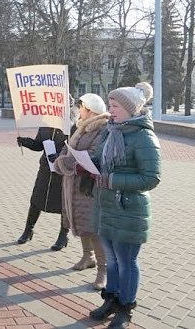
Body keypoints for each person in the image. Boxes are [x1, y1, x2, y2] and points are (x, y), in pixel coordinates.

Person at [89, 82, 160, 329]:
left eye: (115, 105)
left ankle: (125, 309)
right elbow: (99, 159)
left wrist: (111, 179)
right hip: (107, 206)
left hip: (129, 210)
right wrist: (85, 164)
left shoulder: (144, 136)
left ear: (131, 109)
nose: (110, 110)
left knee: (126, 261)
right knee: (111, 260)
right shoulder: (110, 131)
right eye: (109, 104)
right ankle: (112, 299)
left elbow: (151, 178)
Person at [52, 93, 109, 290]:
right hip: (73, 184)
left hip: (88, 186)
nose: (79, 109)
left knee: (93, 227)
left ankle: (103, 270)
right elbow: (69, 149)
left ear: (91, 110)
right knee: (81, 223)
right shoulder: (80, 126)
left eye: (82, 107)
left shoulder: (102, 128)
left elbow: (94, 155)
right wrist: (60, 158)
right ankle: (88, 257)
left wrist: (65, 163)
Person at [16, 125, 69, 251]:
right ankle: (28, 230)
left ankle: (63, 236)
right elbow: (39, 145)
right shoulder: (45, 125)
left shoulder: (70, 124)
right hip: (45, 169)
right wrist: (27, 142)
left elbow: (74, 149)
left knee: (64, 204)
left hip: (63, 171)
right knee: (36, 200)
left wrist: (61, 158)